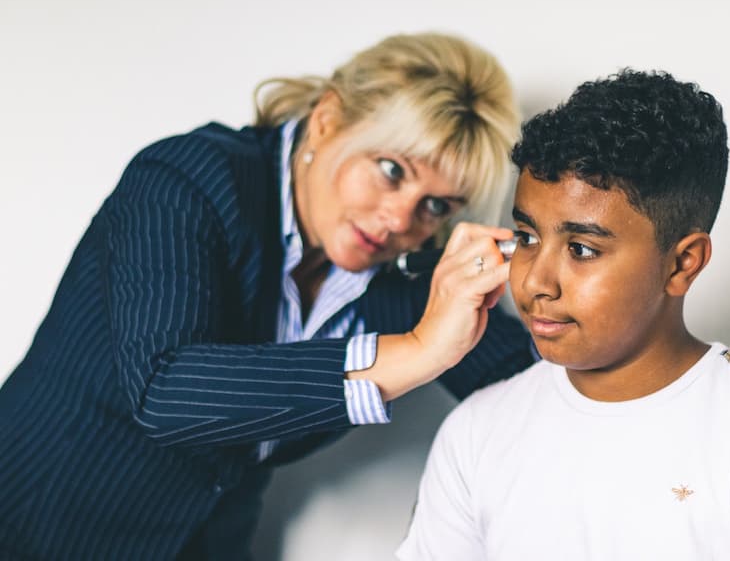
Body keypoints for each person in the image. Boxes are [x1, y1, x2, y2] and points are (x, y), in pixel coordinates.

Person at [0, 32, 535, 560]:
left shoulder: (406, 274)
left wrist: (558, 261)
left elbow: (527, 382)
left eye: (437, 206)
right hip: (37, 519)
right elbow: (164, 388)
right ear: (328, 120)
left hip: (204, 541)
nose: (400, 219)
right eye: (392, 170)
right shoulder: (188, 180)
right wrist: (418, 350)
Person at [397, 69, 730, 560]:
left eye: (581, 249)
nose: (536, 281)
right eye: (526, 238)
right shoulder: (476, 430)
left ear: (682, 262)